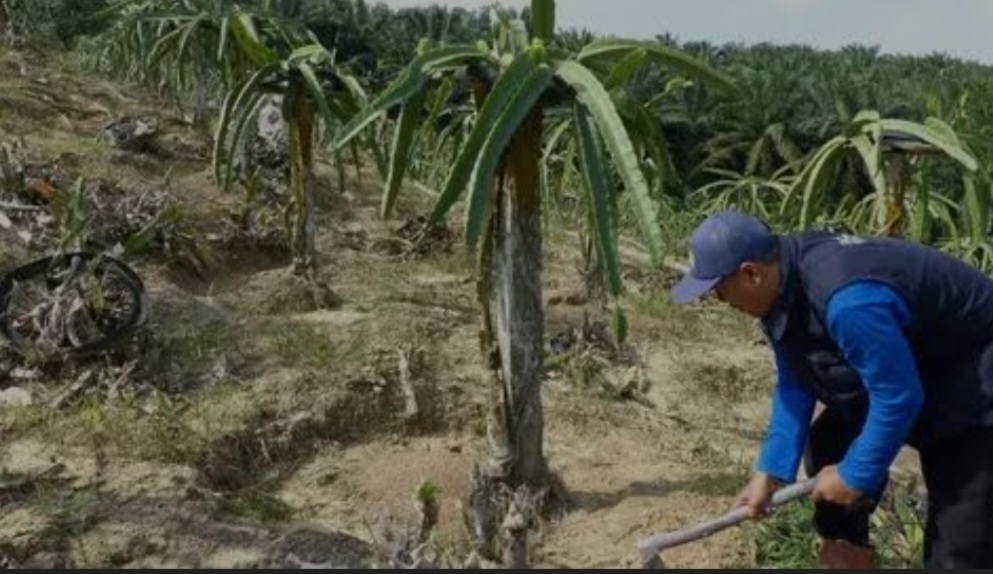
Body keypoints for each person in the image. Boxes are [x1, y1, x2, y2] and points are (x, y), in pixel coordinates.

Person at [669, 210, 993, 569]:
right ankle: (847, 557)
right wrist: (771, 472)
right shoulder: (784, 285)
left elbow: (899, 395)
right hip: (914, 363)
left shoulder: (847, 301)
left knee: (960, 541)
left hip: (975, 383)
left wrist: (857, 473)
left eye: (719, 290)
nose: (721, 301)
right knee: (829, 443)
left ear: (750, 273)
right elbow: (796, 381)